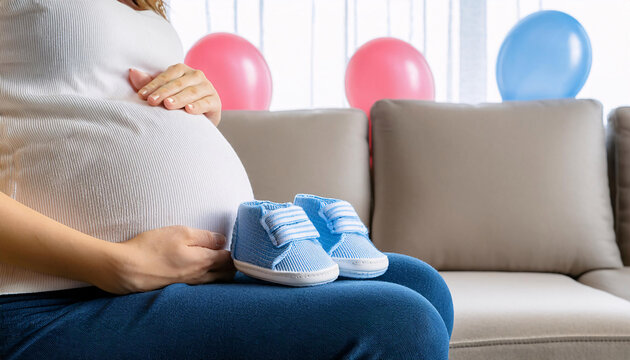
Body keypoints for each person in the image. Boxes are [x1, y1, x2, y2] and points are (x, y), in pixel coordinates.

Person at [0, 0, 454, 358]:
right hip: (53, 297)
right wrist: (113, 263)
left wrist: (197, 108)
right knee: (400, 323)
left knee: (422, 285)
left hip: (191, 271)